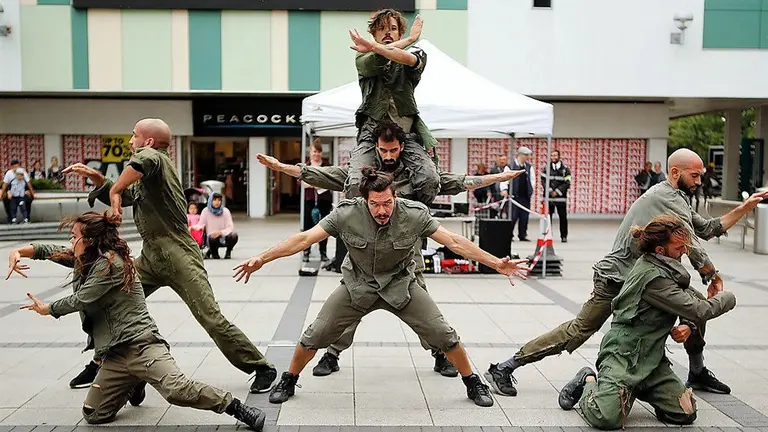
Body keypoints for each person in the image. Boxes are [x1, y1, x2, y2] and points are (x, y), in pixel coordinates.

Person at [232, 167, 530, 407]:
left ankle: (472, 382)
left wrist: (496, 263)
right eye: (375, 204)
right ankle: (289, 379)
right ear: (365, 201)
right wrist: (263, 257)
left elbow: (454, 241)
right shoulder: (346, 214)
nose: (382, 210)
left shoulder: (413, 214)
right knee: (316, 334)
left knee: (443, 334)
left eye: (387, 203)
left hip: (401, 285)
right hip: (357, 285)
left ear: (395, 197)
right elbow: (304, 239)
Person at [484, 148, 768, 398]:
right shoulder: (665, 196)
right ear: (674, 172)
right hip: (618, 278)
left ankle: (697, 370)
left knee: (694, 306)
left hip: (644, 278)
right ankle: (506, 366)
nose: (699, 181)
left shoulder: (675, 197)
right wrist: (711, 275)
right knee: (581, 329)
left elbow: (708, 229)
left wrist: (744, 208)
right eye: (695, 175)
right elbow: (690, 242)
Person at [256, 122, 523, 378]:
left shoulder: (416, 176)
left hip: (407, 250)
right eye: (383, 150)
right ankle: (333, 353)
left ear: (402, 147)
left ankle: (439, 353)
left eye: (393, 150)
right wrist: (280, 167)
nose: (388, 155)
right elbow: (319, 175)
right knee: (351, 301)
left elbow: (459, 182)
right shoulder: (362, 174)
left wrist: (498, 178)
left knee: (423, 307)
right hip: (366, 249)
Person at [62, 118, 276, 394]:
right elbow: (127, 196)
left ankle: (261, 367)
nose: (130, 141)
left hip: (179, 255)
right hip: (151, 257)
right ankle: (104, 364)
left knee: (210, 318)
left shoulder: (155, 159)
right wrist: (102, 182)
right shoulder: (148, 175)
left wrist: (114, 190)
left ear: (148, 142)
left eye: (134, 135)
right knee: (107, 299)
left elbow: (140, 165)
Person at [6, 212, 266, 430]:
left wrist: (48, 308)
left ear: (90, 240)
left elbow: (82, 299)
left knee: (177, 391)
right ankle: (133, 380)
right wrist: (19, 251)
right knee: (94, 414)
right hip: (115, 355)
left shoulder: (110, 264)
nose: (70, 241)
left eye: (74, 236)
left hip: (143, 344)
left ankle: (236, 407)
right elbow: (52, 250)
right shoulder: (87, 256)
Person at [558, 214, 736, 430]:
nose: (684, 252)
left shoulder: (664, 268)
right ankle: (588, 380)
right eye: (679, 248)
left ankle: (638, 389)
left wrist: (688, 326)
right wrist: (728, 297)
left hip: (651, 360)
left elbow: (692, 300)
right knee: (606, 418)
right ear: (660, 250)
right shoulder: (654, 278)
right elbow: (699, 309)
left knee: (685, 412)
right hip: (623, 357)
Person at [345, 10, 441, 206]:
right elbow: (375, 62)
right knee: (355, 183)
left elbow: (409, 60)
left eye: (393, 29)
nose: (388, 33)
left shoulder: (415, 52)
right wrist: (409, 39)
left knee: (430, 179)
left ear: (400, 34)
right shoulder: (362, 57)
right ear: (373, 33)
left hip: (406, 134)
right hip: (371, 134)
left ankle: (417, 215)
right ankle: (360, 222)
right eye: (382, 29)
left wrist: (375, 45)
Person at [302, 140, 333, 262]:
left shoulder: (326, 165)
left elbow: (330, 182)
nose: (317, 154)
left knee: (324, 227)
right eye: (315, 151)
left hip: (324, 200)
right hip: (310, 201)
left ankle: (323, 252)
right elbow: (303, 183)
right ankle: (306, 251)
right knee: (308, 227)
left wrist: (314, 183)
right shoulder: (306, 166)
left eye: (319, 151)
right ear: (310, 152)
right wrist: (316, 183)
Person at [500, 146, 535, 241]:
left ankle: (522, 235)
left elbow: (532, 180)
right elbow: (504, 179)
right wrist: (504, 189)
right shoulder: (510, 166)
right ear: (520, 155)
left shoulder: (528, 167)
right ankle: (509, 234)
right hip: (513, 197)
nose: (528, 157)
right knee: (512, 216)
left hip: (525, 197)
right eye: (526, 155)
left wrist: (531, 191)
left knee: (524, 217)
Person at [541, 149, 571, 242]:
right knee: (548, 218)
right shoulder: (546, 168)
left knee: (563, 218)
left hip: (561, 198)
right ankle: (548, 235)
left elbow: (567, 182)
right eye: (552, 156)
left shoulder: (565, 169)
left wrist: (557, 192)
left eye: (555, 156)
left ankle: (564, 236)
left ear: (559, 157)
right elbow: (543, 181)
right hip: (549, 198)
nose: (553, 157)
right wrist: (550, 192)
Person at [196, 193, 238, 260]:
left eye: (219, 200)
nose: (217, 202)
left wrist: (220, 233)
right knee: (212, 238)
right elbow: (200, 224)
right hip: (211, 237)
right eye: (215, 200)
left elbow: (230, 227)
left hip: (224, 236)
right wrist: (191, 227)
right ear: (210, 201)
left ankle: (228, 251)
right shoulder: (205, 211)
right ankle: (214, 253)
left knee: (234, 235)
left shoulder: (225, 211)